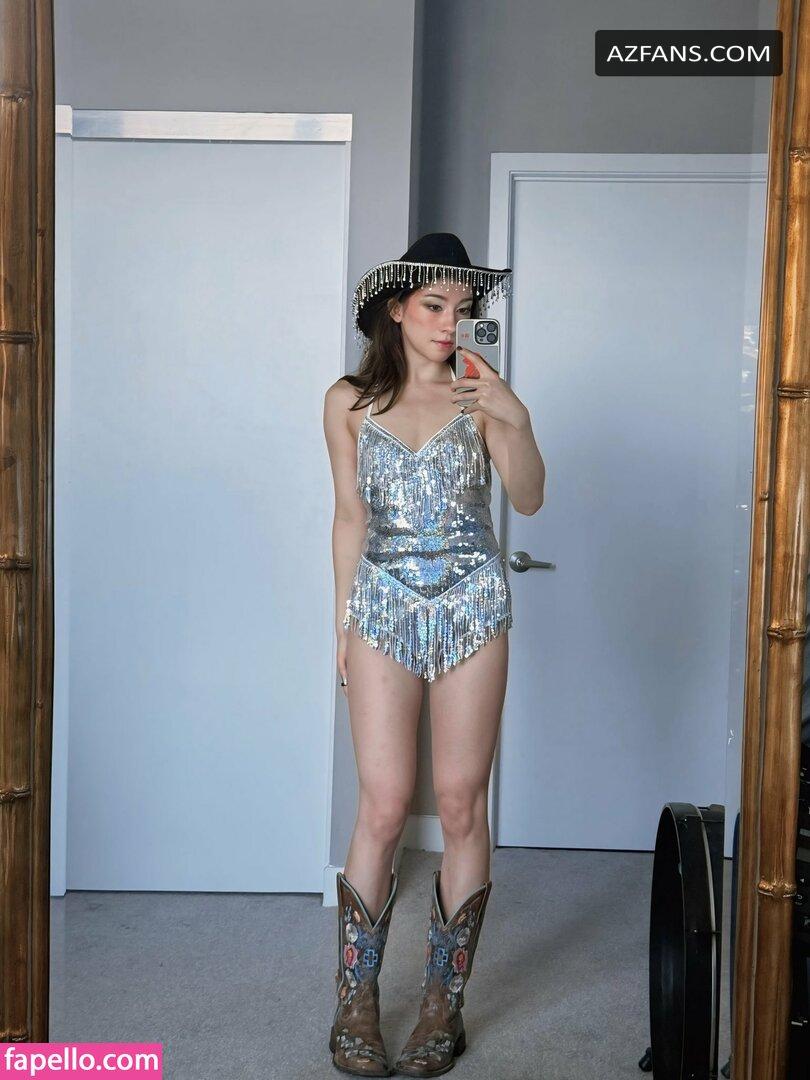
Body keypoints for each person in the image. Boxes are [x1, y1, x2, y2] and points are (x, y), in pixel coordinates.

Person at [323, 232, 545, 1076]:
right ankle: (355, 1004)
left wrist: (512, 415)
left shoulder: (480, 398)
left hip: (474, 605)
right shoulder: (348, 402)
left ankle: (440, 1008)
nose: (451, 322)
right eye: (434, 305)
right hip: (381, 605)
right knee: (383, 804)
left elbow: (530, 497)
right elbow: (350, 517)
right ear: (396, 309)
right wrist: (342, 625)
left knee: (459, 804)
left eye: (463, 307)